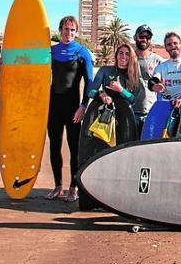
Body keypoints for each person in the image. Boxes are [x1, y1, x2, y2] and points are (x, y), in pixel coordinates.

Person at [45, 16, 93, 202]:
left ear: (76, 32)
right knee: (54, 145)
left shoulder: (82, 53)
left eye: (72, 30)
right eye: (66, 29)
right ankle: (58, 186)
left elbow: (89, 82)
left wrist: (83, 106)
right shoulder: (51, 51)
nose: (69, 33)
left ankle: (73, 187)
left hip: (73, 108)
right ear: (60, 30)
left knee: (74, 148)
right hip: (53, 107)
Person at [87, 43, 141, 142]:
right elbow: (90, 92)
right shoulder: (105, 70)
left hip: (125, 118)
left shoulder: (134, 74)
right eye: (121, 53)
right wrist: (102, 95)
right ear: (116, 55)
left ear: (131, 57)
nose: (123, 56)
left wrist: (121, 90)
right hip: (106, 115)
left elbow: (133, 100)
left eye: (127, 54)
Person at [148, 32, 181, 113]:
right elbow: (152, 81)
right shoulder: (161, 67)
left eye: (175, 43)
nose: (172, 46)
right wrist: (154, 86)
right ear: (166, 48)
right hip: (166, 113)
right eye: (169, 44)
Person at [133, 24, 164, 133]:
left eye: (148, 37)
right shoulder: (128, 58)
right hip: (130, 112)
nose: (144, 39)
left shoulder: (158, 61)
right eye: (141, 36)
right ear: (135, 37)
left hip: (151, 113)